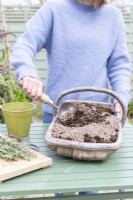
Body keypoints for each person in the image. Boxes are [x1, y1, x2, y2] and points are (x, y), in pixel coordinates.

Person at [11, 0, 131, 196]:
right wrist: (28, 73)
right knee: (62, 185)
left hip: (99, 120)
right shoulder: (53, 10)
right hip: (59, 115)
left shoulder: (113, 17)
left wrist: (121, 97)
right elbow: (25, 45)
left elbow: (119, 66)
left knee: (90, 188)